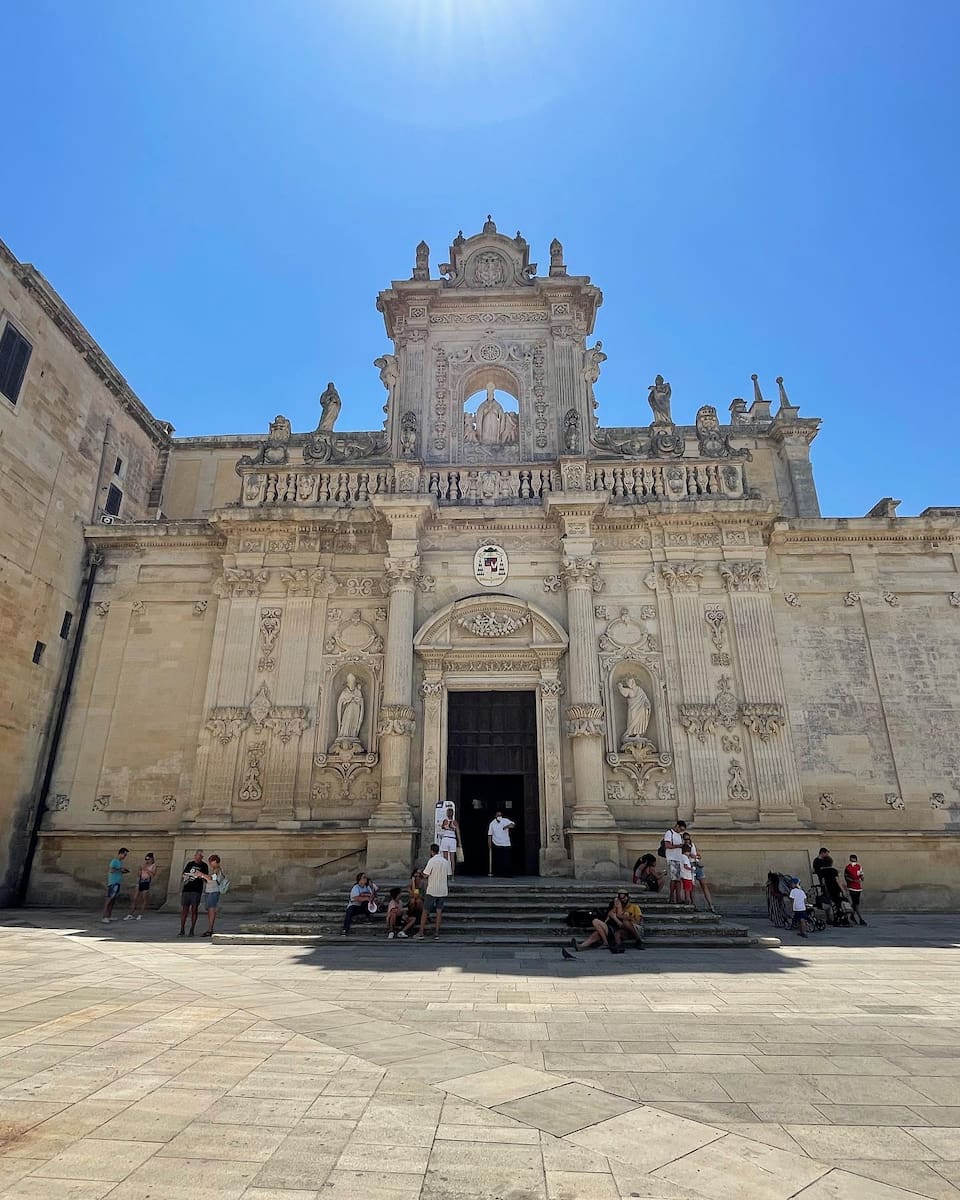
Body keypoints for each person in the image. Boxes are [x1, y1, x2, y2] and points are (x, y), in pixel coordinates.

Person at [417, 843, 451, 940]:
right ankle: (436, 933)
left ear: (432, 851)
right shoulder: (445, 861)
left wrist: (420, 873)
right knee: (439, 911)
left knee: (425, 911)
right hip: (443, 890)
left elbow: (426, 874)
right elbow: (448, 874)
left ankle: (421, 932)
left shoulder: (431, 861)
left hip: (432, 889)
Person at [683, 834, 717, 914]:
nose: (687, 840)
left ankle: (711, 904)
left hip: (697, 864)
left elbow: (696, 854)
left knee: (704, 884)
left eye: (688, 839)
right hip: (691, 865)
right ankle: (693, 904)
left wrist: (698, 856)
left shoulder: (693, 844)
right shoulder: (684, 846)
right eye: (685, 839)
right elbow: (687, 855)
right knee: (693, 887)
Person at [179, 850, 208, 937]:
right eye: (196, 855)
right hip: (187, 889)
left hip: (196, 890)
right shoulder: (190, 864)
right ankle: (182, 929)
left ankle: (192, 929)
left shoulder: (204, 865)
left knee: (194, 910)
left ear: (202, 857)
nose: (197, 857)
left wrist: (200, 875)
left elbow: (206, 878)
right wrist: (185, 876)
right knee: (184, 910)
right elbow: (183, 874)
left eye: (199, 856)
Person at [341, 872, 377, 936]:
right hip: (354, 905)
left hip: (362, 906)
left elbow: (372, 896)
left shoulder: (367, 887)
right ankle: (345, 929)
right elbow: (355, 898)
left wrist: (370, 897)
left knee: (366, 903)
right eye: (364, 877)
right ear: (360, 880)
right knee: (349, 912)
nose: (366, 878)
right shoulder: (356, 888)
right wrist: (366, 898)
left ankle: (368, 918)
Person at [124, 852, 157, 920]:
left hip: (146, 882)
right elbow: (138, 874)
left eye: (148, 859)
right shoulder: (143, 864)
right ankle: (130, 914)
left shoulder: (153, 866)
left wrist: (147, 869)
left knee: (144, 899)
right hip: (140, 881)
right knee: (134, 898)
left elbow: (153, 875)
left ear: (152, 859)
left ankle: (140, 914)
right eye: (146, 859)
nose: (147, 860)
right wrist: (140, 870)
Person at [198, 854, 225, 937]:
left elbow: (212, 878)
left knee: (211, 910)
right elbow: (210, 879)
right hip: (210, 891)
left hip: (213, 891)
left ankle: (210, 929)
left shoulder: (217, 869)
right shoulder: (214, 869)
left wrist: (201, 874)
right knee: (210, 910)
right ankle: (210, 928)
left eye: (211, 861)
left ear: (215, 861)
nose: (210, 863)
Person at [101, 848, 129, 923]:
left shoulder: (119, 862)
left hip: (117, 882)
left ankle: (108, 916)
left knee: (113, 901)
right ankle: (104, 916)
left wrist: (122, 871)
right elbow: (111, 870)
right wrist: (120, 870)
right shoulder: (114, 861)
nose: (125, 856)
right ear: (121, 853)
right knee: (109, 900)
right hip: (113, 883)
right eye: (125, 854)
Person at [662, 819, 687, 904]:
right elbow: (667, 845)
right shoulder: (669, 833)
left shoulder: (679, 835)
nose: (681, 831)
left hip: (679, 859)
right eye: (681, 829)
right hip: (672, 858)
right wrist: (678, 846)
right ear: (677, 826)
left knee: (678, 879)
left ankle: (678, 898)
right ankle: (671, 897)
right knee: (673, 879)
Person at [818, 855, 847, 924]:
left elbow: (823, 881)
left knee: (828, 904)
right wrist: (843, 890)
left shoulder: (822, 871)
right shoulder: (834, 870)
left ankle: (829, 918)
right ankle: (838, 918)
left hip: (827, 889)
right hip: (835, 889)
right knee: (837, 904)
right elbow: (837, 881)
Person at [487, 811, 515, 877]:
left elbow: (513, 825)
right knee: (498, 860)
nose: (499, 816)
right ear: (495, 816)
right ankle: (499, 873)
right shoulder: (492, 824)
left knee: (506, 860)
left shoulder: (505, 820)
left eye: (500, 815)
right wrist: (489, 844)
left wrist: (508, 826)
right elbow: (489, 834)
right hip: (497, 844)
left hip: (506, 843)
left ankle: (507, 874)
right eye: (498, 815)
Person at [844, 854, 867, 925]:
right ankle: (860, 919)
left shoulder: (859, 867)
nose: (853, 861)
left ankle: (852, 916)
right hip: (851, 887)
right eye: (852, 860)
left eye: (854, 860)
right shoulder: (847, 867)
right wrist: (853, 880)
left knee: (855, 904)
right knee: (855, 904)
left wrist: (861, 877)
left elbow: (862, 876)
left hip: (858, 888)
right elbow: (846, 877)